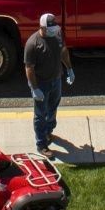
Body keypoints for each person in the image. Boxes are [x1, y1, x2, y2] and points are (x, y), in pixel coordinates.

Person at [23, 13, 73, 154]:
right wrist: (34, 88)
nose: (53, 33)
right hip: (41, 84)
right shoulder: (33, 44)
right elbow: (29, 68)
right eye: (49, 30)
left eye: (54, 29)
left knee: (53, 107)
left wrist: (69, 68)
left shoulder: (56, 33)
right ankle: (41, 144)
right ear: (42, 27)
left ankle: (48, 131)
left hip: (56, 80)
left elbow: (63, 51)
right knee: (40, 115)